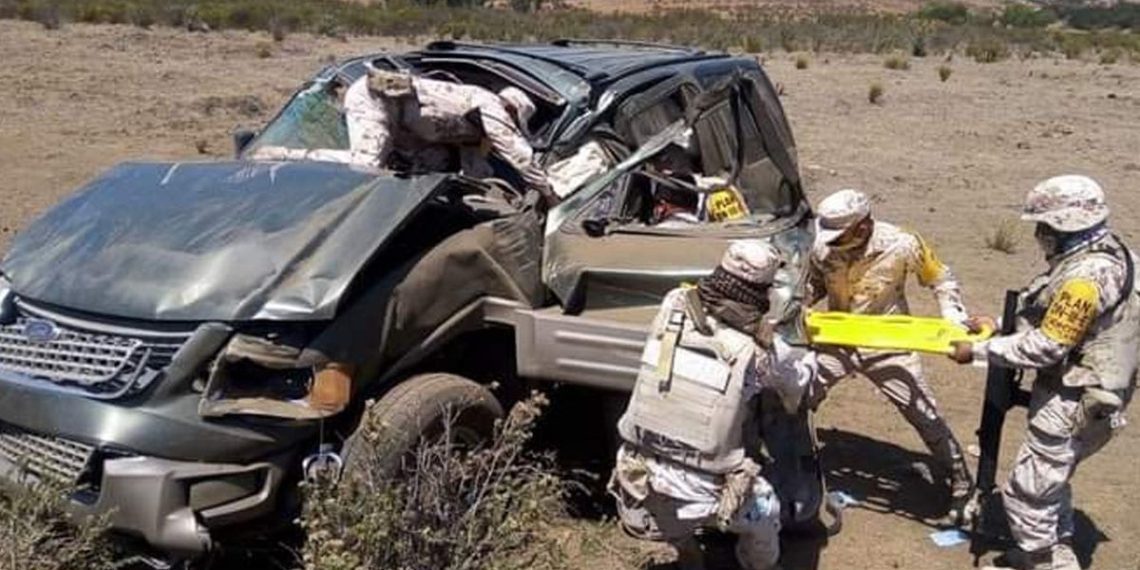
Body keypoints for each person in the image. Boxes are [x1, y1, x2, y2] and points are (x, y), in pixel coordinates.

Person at [949, 175, 1137, 570]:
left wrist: (980, 350)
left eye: (1045, 226)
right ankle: (1054, 550)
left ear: (1065, 225)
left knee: (1027, 491)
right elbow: (1067, 320)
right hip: (1098, 390)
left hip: (1074, 397)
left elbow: (1047, 346)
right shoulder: (1119, 254)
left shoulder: (1087, 277)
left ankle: (1044, 562)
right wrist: (1005, 326)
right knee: (1052, 480)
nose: (1040, 234)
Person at [609, 240, 820, 570]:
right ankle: (759, 565)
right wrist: (806, 355)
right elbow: (798, 383)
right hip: (703, 490)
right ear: (761, 291)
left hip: (636, 477)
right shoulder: (760, 351)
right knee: (766, 508)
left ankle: (687, 554)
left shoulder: (673, 305)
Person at [807, 188, 974, 517]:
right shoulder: (822, 247)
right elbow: (813, 284)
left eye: (841, 236)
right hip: (837, 339)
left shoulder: (902, 243)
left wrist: (953, 319)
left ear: (863, 226)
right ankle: (791, 468)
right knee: (795, 399)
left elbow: (941, 279)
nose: (833, 243)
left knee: (923, 413)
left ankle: (963, 484)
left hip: (887, 342)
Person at [347, 68, 558, 206]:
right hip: (374, 100)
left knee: (430, 166)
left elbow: (475, 170)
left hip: (407, 127)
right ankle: (333, 188)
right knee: (366, 170)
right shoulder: (487, 103)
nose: (510, 123)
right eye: (512, 119)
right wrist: (548, 193)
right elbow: (518, 153)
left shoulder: (475, 128)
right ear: (511, 109)